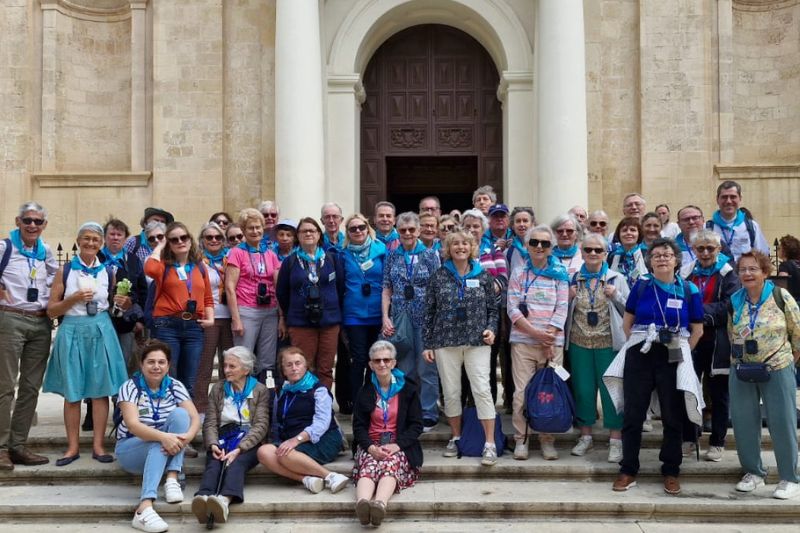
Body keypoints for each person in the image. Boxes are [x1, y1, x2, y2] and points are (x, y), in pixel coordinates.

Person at [604, 238, 704, 496]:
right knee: (633, 414)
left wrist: (683, 353)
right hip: (641, 353)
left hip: (672, 355)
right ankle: (628, 469)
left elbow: (697, 329)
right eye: (656, 254)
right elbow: (628, 324)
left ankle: (671, 470)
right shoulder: (641, 286)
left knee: (672, 415)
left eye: (667, 254)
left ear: (676, 259)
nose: (661, 258)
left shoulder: (689, 289)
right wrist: (641, 345)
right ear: (649, 261)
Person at [43, 221, 128, 466]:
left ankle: (98, 446)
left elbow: (111, 306)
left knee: (100, 392)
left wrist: (122, 304)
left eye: (95, 240)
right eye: (86, 238)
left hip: (100, 329)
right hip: (72, 330)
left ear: (101, 244)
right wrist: (75, 298)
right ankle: (72, 447)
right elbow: (51, 310)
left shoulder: (108, 272)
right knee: (73, 392)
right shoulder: (66, 270)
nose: (91, 243)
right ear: (79, 241)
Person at [728, 250, 800, 499]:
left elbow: (796, 331)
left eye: (753, 269)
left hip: (777, 367)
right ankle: (753, 472)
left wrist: (789, 360)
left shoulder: (781, 296)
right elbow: (731, 331)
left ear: (765, 272)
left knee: (783, 422)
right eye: (743, 269)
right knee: (744, 422)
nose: (747, 274)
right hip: (742, 368)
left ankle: (789, 477)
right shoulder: (735, 299)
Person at [422, 231, 498, 465]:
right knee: (452, 392)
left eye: (465, 243)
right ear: (448, 248)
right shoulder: (438, 276)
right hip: (446, 342)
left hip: (477, 342)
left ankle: (489, 443)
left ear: (472, 247)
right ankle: (456, 438)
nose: (460, 247)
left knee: (482, 389)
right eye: (455, 243)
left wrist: (491, 329)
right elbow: (429, 312)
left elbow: (493, 310)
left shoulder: (483, 276)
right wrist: (428, 343)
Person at [116, 341, 201, 533]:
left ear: (168, 365)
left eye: (161, 362)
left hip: (167, 449)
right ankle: (144, 508)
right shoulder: (130, 387)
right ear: (142, 364)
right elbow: (133, 425)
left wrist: (186, 437)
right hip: (131, 448)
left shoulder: (174, 385)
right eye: (151, 362)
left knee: (181, 415)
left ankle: (172, 477)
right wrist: (164, 437)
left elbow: (194, 418)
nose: (156, 367)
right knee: (157, 442)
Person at [0, 202, 59, 470]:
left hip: (40, 322)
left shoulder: (45, 251)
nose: (32, 225)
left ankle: (18, 445)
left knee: (31, 387)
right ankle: (0, 447)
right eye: (27, 220)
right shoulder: (5, 247)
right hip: (10, 319)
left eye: (37, 221)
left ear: (44, 225)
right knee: (4, 387)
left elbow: (55, 279)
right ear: (18, 221)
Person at [564, 233, 629, 462]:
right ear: (581, 252)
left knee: (612, 391)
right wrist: (567, 297)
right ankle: (586, 437)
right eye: (588, 250)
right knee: (583, 390)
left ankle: (615, 440)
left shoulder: (615, 278)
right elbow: (561, 309)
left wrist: (616, 295)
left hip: (608, 343)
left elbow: (630, 308)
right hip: (579, 342)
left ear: (605, 253)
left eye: (597, 250)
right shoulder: (572, 279)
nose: (592, 254)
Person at [506, 225, 569, 461]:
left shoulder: (560, 273)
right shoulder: (519, 272)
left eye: (544, 243)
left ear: (551, 247)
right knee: (521, 394)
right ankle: (521, 439)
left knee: (548, 393)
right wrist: (538, 335)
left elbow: (562, 307)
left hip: (552, 344)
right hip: (524, 343)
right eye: (534, 242)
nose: (539, 247)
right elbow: (512, 309)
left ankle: (546, 439)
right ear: (527, 245)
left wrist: (548, 337)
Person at [192, 346, 269, 524]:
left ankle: (224, 501)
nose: (226, 370)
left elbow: (261, 425)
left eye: (232, 366)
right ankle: (203, 498)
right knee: (214, 461)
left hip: (249, 438)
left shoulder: (260, 390)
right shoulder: (218, 389)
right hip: (223, 435)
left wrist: (240, 449)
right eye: (225, 366)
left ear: (246, 369)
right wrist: (212, 444)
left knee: (236, 463)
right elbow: (210, 421)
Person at [257, 346, 349, 494]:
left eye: (298, 363)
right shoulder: (284, 391)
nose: (294, 368)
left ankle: (330, 476)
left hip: (323, 439)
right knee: (263, 452)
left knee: (284, 454)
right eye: (289, 365)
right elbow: (277, 421)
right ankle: (306, 479)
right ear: (284, 370)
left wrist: (297, 440)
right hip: (293, 442)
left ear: (306, 366)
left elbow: (322, 423)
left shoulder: (318, 390)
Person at [680, 230, 739, 461]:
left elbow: (729, 305)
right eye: (700, 248)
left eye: (710, 248)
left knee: (719, 393)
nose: (705, 253)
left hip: (717, 341)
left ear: (718, 249)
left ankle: (717, 442)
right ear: (694, 250)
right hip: (690, 340)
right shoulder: (686, 272)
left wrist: (697, 314)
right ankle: (689, 436)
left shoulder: (728, 273)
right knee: (688, 389)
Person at [352, 341, 423, 527]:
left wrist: (396, 445)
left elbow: (416, 425)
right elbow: (358, 427)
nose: (382, 364)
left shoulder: (408, 389)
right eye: (377, 360)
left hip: (398, 444)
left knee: (390, 463)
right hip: (371, 443)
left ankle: (379, 505)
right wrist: (370, 447)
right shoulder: (365, 391)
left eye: (386, 360)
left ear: (393, 363)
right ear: (371, 365)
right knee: (369, 464)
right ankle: (362, 505)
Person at [381, 212, 441, 431]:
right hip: (400, 318)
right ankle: (406, 410)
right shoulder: (392, 255)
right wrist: (385, 317)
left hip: (425, 319)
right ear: (398, 231)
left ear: (418, 231)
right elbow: (387, 287)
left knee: (426, 367)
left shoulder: (430, 255)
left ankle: (428, 412)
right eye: (403, 230)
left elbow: (436, 289)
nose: (407, 234)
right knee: (404, 367)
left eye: (411, 230)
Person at [145, 222, 215, 400]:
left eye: (183, 237)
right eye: (174, 239)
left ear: (190, 240)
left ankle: (185, 421)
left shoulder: (199, 267)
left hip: (193, 326)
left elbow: (207, 296)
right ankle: (166, 418)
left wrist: (211, 318)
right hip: (167, 325)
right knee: (168, 375)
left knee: (190, 379)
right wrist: (161, 245)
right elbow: (149, 268)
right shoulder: (164, 266)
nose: (180, 242)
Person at [276, 217, 344, 390]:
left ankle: (324, 406)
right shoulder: (290, 262)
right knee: (303, 366)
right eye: (303, 231)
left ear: (319, 234)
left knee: (326, 368)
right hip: (301, 322)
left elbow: (341, 287)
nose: (308, 234)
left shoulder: (332, 259)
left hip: (329, 321)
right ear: (297, 236)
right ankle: (305, 405)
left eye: (312, 230)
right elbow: (282, 293)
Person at [225, 209, 281, 382]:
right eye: (250, 228)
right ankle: (242, 399)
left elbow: (278, 285)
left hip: (270, 311)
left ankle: (266, 398)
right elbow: (229, 287)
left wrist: (282, 316)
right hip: (247, 310)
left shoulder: (270, 253)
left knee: (267, 360)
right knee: (243, 358)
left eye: (258, 227)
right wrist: (236, 319)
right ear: (243, 230)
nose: (255, 231)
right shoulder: (237, 252)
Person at [463, 209, 508, 405]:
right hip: (462, 317)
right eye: (468, 226)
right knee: (464, 363)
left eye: (476, 226)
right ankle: (467, 408)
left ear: (483, 229)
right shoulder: (457, 250)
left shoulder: (493, 251)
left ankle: (487, 409)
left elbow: (502, 279)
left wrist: (481, 294)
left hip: (489, 315)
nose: (472, 230)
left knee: (487, 363)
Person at [341, 214, 387, 399]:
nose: (358, 231)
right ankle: (357, 400)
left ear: (368, 228)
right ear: (348, 233)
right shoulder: (342, 254)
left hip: (377, 311)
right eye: (353, 229)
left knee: (375, 358)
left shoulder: (381, 249)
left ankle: (373, 397)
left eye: (361, 227)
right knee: (359, 359)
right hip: (354, 313)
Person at [194, 222, 234, 415]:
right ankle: (201, 407)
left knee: (229, 364)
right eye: (209, 237)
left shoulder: (229, 260)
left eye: (218, 237)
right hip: (208, 317)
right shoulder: (198, 262)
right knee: (205, 364)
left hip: (230, 316)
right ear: (202, 240)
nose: (214, 240)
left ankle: (225, 403)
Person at [101, 218, 148, 366]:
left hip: (126, 321)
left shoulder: (133, 260)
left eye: (119, 234)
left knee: (122, 360)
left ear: (125, 237)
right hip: (99, 319)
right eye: (112, 234)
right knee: (102, 362)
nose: (115, 237)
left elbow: (142, 291)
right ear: (105, 236)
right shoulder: (96, 258)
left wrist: (140, 320)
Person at [706, 180, 769, 261]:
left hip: (743, 273)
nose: (728, 201)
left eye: (733, 197)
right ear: (717, 199)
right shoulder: (707, 228)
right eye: (724, 197)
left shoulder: (752, 227)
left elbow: (762, 256)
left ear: (740, 199)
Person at [607, 217, 647, 287]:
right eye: (624, 230)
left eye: (633, 230)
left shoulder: (647, 255)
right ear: (619, 234)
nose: (628, 233)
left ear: (639, 234)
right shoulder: (611, 256)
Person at [506, 206, 536, 275]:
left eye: (525, 221)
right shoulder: (508, 253)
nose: (521, 224)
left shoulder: (542, 248)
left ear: (532, 224)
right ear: (513, 226)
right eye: (518, 221)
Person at [777, 234, 800, 301]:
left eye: (779, 248)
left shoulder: (785, 265)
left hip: (793, 301)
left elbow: (782, 286)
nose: (778, 250)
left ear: (785, 251)